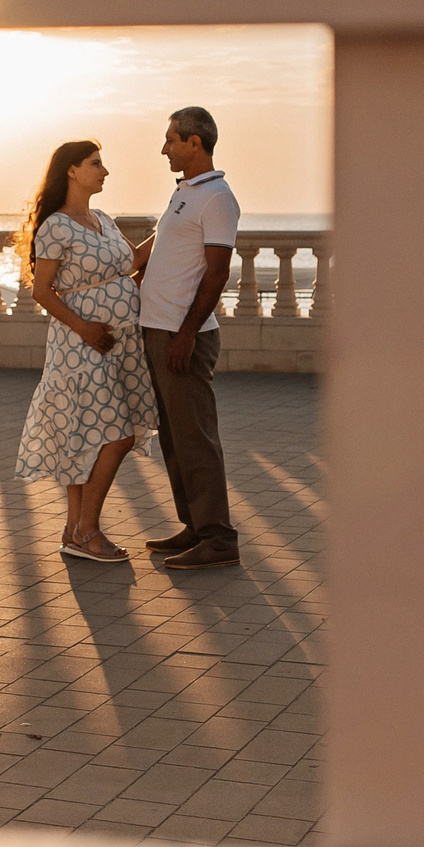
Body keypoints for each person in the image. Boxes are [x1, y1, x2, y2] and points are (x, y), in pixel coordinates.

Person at [10, 139, 161, 563]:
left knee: (83, 438)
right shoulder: (56, 226)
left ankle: (73, 532)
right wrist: (85, 328)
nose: (104, 171)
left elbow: (129, 261)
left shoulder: (102, 219)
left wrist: (171, 225)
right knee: (119, 434)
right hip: (81, 345)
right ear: (72, 171)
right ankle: (90, 530)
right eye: (96, 163)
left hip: (120, 342)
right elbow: (43, 290)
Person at [133, 106, 240, 570]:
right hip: (158, 331)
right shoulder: (185, 193)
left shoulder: (217, 197)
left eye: (171, 140)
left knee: (195, 438)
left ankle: (218, 538)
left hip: (183, 336)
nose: (164, 148)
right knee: (175, 438)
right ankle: (195, 526)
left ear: (195, 142)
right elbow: (150, 255)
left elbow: (217, 274)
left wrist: (187, 334)